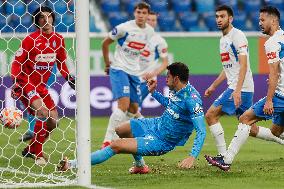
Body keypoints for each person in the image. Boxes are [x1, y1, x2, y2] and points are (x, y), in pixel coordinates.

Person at [58, 62, 206, 173]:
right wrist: (154, 93)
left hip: (162, 140)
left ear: (176, 78)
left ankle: (71, 164)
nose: (165, 79)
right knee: (120, 129)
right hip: (155, 124)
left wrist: (192, 157)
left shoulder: (192, 100)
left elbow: (201, 131)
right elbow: (171, 104)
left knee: (115, 145)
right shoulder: (178, 90)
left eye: (168, 76)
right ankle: (140, 166)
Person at [205, 6, 284, 171]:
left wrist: (269, 99)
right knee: (275, 131)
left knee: (243, 119)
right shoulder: (282, 38)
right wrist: (213, 86)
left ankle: (225, 159)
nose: (260, 23)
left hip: (278, 95)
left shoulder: (270, 42)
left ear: (274, 20)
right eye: (259, 19)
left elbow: (273, 71)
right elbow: (229, 68)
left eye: (263, 20)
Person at [11, 6, 75, 165]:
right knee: (42, 112)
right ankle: (38, 155)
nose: (46, 20)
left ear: (53, 18)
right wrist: (17, 82)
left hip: (42, 87)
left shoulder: (58, 39)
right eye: (42, 17)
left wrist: (68, 77)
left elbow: (61, 63)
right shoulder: (30, 39)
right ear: (37, 21)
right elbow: (17, 62)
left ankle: (30, 149)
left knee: (53, 122)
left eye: (49, 16)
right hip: (27, 83)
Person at [101, 2, 155, 148]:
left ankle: (123, 136)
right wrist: (107, 64)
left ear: (148, 15)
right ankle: (107, 140)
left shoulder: (149, 32)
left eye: (144, 13)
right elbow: (105, 43)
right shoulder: (123, 28)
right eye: (138, 12)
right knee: (123, 105)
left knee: (133, 109)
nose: (141, 15)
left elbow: (139, 54)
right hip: (119, 69)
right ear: (134, 13)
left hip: (134, 72)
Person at [18, 65, 57, 142]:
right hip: (34, 70)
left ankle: (37, 131)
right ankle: (34, 131)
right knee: (32, 101)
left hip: (44, 71)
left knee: (34, 100)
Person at [139, 11, 168, 102]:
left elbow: (165, 63)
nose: (151, 22)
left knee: (133, 105)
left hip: (146, 80)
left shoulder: (159, 41)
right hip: (132, 77)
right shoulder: (134, 36)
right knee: (131, 108)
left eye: (153, 20)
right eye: (148, 19)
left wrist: (153, 74)